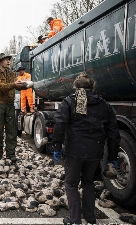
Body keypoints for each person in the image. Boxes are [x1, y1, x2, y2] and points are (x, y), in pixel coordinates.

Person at [51, 72, 120, 225]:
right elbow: (114, 133)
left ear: (75, 87)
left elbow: (60, 124)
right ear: (92, 86)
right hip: (95, 152)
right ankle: (90, 218)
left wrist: (56, 146)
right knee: (88, 182)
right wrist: (112, 158)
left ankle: (75, 220)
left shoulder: (69, 101)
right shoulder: (104, 105)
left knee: (71, 184)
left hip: (74, 151)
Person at [0, 53, 29, 162]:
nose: (8, 61)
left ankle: (11, 153)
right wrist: (14, 84)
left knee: (11, 131)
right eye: (6, 60)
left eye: (8, 59)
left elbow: (16, 85)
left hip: (10, 105)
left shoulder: (12, 74)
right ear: (0, 62)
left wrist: (23, 85)